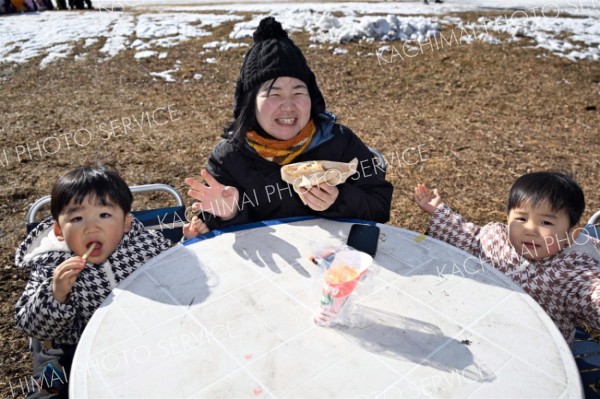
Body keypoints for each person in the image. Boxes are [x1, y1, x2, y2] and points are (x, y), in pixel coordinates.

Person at [185, 17, 393, 230]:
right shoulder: (228, 158)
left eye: (298, 92)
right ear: (250, 103)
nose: (288, 106)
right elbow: (210, 225)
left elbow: (380, 205)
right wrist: (230, 213)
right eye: (274, 94)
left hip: (335, 258)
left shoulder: (338, 141)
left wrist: (338, 200)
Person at [14, 165, 174, 398]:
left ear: (126, 222)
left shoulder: (147, 246)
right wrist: (56, 294)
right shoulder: (50, 266)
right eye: (77, 218)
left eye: (104, 215)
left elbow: (177, 275)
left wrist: (188, 244)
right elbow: (31, 326)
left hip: (143, 339)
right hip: (75, 352)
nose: (92, 227)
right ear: (59, 230)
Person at [414, 171, 600, 344]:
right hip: (483, 330)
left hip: (539, 352)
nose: (530, 230)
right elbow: (468, 237)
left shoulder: (571, 270)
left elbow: (591, 292)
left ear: (571, 234)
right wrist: (438, 210)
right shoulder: (496, 240)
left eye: (546, 222)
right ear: (508, 219)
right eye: (521, 219)